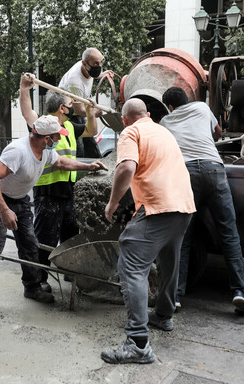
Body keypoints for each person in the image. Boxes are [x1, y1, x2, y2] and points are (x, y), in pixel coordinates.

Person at [101, 99, 195, 364]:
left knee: (131, 262)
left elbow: (126, 167)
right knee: (168, 259)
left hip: (158, 204)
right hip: (184, 205)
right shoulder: (163, 131)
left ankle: (138, 343)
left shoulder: (131, 132)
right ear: (149, 115)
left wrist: (113, 202)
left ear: (125, 119)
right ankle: (163, 316)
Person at [0, 115, 107, 313]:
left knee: (30, 244)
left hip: (21, 199)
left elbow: (63, 163)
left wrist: (88, 166)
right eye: (57, 137)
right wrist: (4, 210)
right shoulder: (18, 151)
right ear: (47, 138)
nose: (59, 140)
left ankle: (32, 288)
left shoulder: (46, 151)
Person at [160, 86, 244, 314]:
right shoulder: (201, 107)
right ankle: (239, 291)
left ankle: (177, 295)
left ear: (170, 107)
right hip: (213, 169)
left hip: (186, 173)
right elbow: (218, 134)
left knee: (184, 236)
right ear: (187, 99)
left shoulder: (165, 121)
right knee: (229, 233)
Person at [19, 73, 98, 291]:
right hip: (48, 190)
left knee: (71, 235)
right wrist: (24, 89)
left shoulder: (70, 126)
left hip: (67, 190)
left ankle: (70, 272)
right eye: (70, 103)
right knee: (45, 240)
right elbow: (27, 111)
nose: (73, 106)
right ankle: (38, 282)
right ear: (62, 107)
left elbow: (92, 130)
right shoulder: (44, 124)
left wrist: (91, 113)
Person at [58, 48, 112, 157]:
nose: (99, 66)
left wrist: (101, 75)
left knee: (92, 149)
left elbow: (93, 74)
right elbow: (78, 110)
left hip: (79, 112)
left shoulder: (87, 67)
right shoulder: (75, 82)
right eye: (96, 63)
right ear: (84, 63)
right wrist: (93, 113)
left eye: (100, 62)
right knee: (79, 150)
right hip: (68, 116)